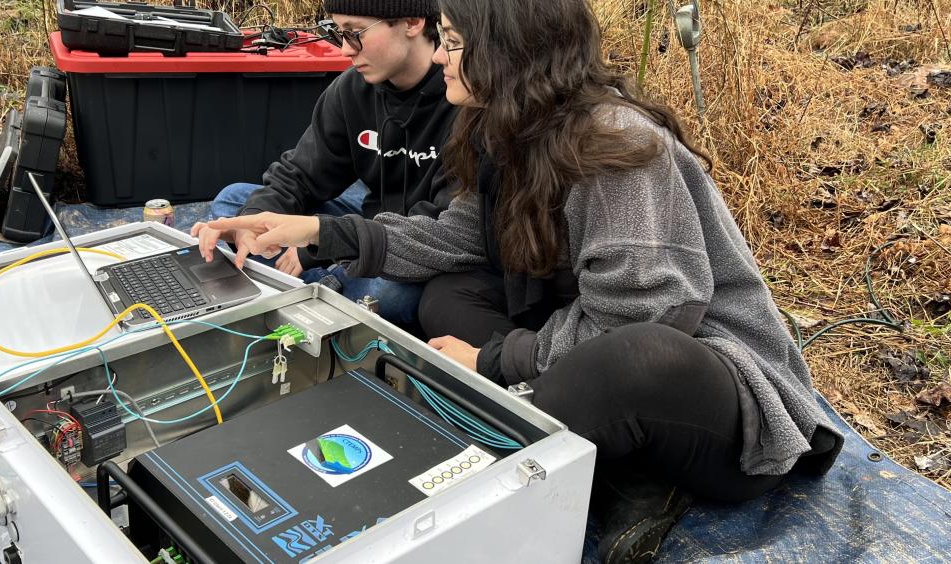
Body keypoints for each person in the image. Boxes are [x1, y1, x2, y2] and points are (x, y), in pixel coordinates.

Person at [194, 0, 844, 561]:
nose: (443, 57)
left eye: (454, 43)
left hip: (713, 398)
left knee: (631, 361)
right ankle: (598, 448)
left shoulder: (613, 144)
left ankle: (600, 465)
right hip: (592, 348)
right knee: (450, 293)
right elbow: (460, 237)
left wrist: (491, 359)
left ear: (506, 50)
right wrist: (314, 232)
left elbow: (648, 315)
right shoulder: (508, 130)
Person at [196, 0, 458, 325]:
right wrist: (251, 222)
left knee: (395, 296)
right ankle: (327, 291)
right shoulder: (351, 90)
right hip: (361, 227)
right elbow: (299, 175)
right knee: (234, 201)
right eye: (337, 33)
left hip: (419, 250)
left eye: (355, 33)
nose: (346, 50)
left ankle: (311, 283)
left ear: (412, 22)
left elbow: (447, 231)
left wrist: (315, 247)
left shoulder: (460, 94)